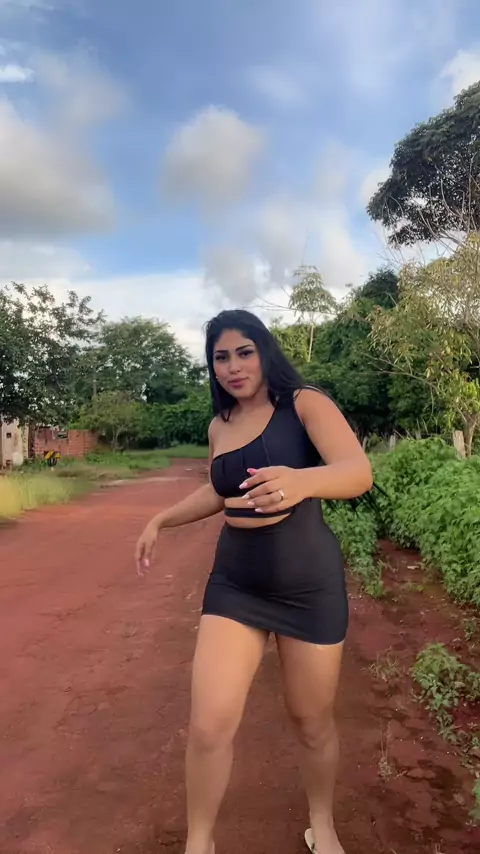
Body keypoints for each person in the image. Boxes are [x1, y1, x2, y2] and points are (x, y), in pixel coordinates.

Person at [135, 309, 373, 854]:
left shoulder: (303, 404)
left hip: (308, 587)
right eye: (221, 357)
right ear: (212, 366)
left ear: (265, 352)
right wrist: (161, 519)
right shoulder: (220, 425)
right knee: (209, 725)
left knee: (311, 722)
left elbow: (357, 472)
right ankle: (199, 842)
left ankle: (322, 823)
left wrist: (301, 481)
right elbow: (219, 491)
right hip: (236, 585)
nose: (233, 366)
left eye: (244, 352)